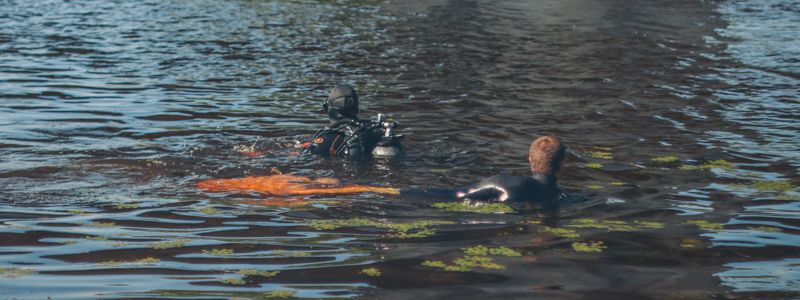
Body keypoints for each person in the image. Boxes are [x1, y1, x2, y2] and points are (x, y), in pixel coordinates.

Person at [297, 85, 404, 160]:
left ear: (330, 108)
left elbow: (307, 157)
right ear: (356, 107)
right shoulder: (375, 131)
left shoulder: (328, 138)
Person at [454, 136, 566, 203]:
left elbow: (456, 196)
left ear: (530, 160)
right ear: (562, 165)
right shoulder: (564, 197)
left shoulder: (504, 182)